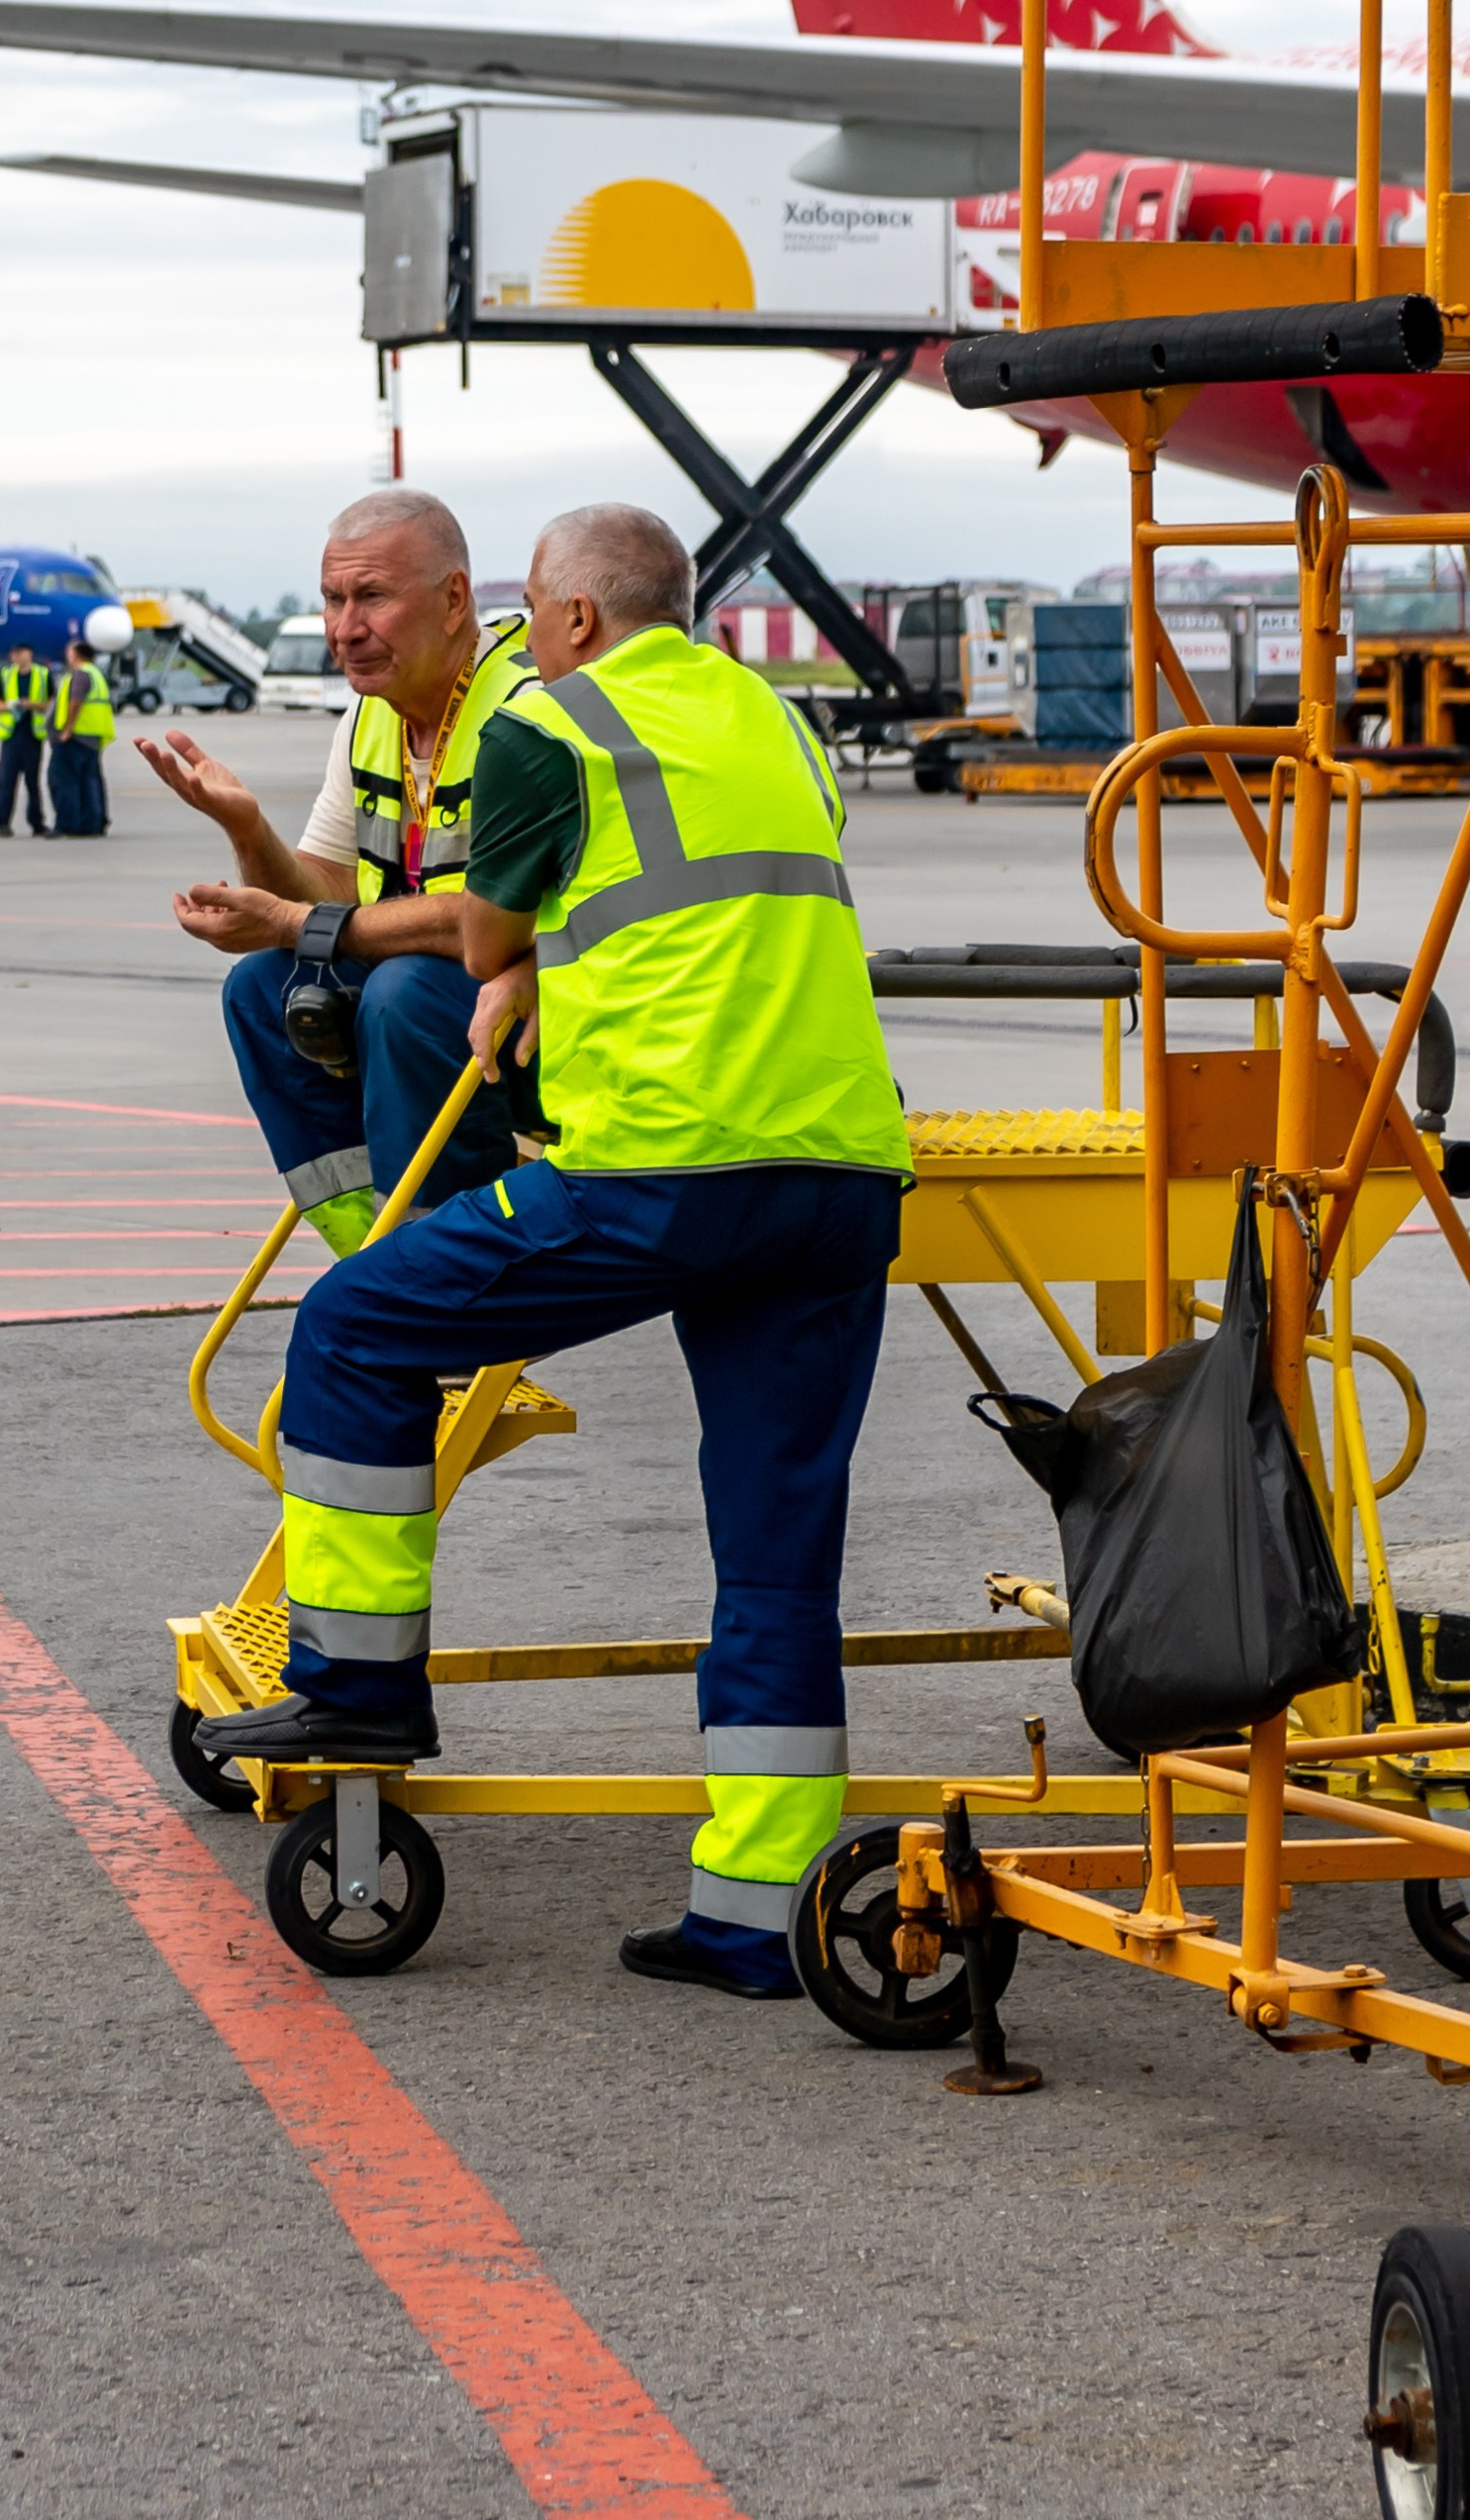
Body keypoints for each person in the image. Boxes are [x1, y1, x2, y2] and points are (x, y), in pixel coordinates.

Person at [191, 500, 912, 2005]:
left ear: (575, 620)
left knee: (352, 1328)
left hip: (665, 1167)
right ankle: (752, 1915)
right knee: (777, 1560)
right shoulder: (777, 724)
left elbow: (478, 938)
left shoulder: (544, 728)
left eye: (535, 606)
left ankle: (359, 1689)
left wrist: (505, 966)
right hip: (842, 1170)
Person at [138, 488, 537, 1253]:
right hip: (437, 1025)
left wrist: (293, 921)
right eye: (332, 598)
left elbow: (481, 921)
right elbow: (322, 887)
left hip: (539, 1015)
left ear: (455, 600)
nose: (344, 629)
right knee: (261, 986)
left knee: (402, 991)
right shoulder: (367, 717)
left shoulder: (528, 711)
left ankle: (454, 1269)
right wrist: (248, 829)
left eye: (372, 597)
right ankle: (373, 1254)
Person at [49, 635, 115, 836]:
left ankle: (67, 824)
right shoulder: (96, 673)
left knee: (63, 781)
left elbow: (75, 701)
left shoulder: (80, 674)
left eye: (70, 652)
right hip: (93, 736)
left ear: (76, 655)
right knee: (90, 781)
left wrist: (67, 729)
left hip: (76, 737)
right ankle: (93, 824)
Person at [0, 645, 52, 837]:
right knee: (6, 782)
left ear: (29, 654)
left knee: (33, 783)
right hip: (11, 735)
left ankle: (37, 823)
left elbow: (52, 702)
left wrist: (33, 705)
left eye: (21, 653)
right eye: (14, 654)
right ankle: (3, 823)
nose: (17, 657)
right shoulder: (6, 674)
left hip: (32, 735)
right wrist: (9, 706)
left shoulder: (43, 674)